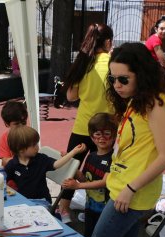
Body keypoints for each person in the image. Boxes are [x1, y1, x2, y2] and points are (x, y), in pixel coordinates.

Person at [90, 42, 165, 237]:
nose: (117, 85)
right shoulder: (136, 100)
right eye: (112, 79)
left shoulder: (156, 106)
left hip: (132, 193)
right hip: (123, 186)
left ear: (141, 74)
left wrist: (130, 188)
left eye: (123, 79)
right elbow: (134, 148)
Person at [59, 23, 114, 223]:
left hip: (83, 126)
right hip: (107, 130)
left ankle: (63, 209)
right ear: (108, 42)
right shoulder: (113, 62)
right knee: (103, 172)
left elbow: (72, 96)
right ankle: (99, 211)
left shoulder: (84, 62)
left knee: (72, 168)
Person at [61, 113, 117, 237]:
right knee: (89, 235)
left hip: (106, 210)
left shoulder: (113, 158)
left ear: (114, 135)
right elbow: (85, 178)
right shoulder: (92, 156)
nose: (102, 138)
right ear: (91, 137)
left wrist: (78, 186)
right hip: (90, 207)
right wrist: (70, 162)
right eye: (97, 134)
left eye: (107, 134)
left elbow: (105, 182)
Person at [5, 125, 86, 204]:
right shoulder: (12, 165)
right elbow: (4, 182)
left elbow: (56, 164)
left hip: (42, 201)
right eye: (34, 145)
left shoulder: (41, 159)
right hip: (23, 201)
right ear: (21, 150)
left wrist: (73, 152)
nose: (37, 147)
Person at [0, 100, 28, 167]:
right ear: (7, 124)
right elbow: (4, 163)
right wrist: (21, 159)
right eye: (16, 124)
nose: (21, 126)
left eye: (23, 122)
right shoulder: (5, 138)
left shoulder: (30, 135)